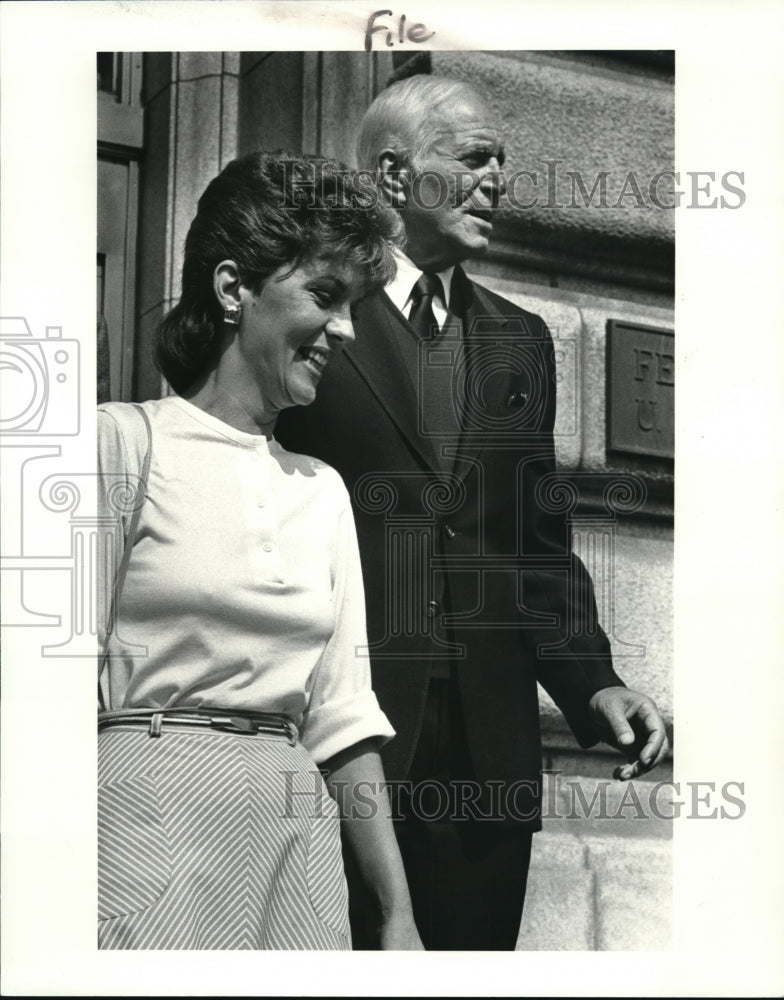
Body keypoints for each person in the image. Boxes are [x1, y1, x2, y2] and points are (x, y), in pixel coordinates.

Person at [274, 75, 669, 950]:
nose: (497, 181)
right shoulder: (310, 314)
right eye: (474, 157)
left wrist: (593, 680)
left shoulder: (519, 337)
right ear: (391, 174)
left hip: (488, 757)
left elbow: (535, 541)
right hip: (345, 740)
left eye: (503, 161)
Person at [97, 151, 423, 951]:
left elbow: (343, 720)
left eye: (353, 304)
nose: (345, 329)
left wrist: (397, 915)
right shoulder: (118, 444)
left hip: (296, 836)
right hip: (144, 821)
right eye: (324, 295)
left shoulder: (322, 490)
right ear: (233, 287)